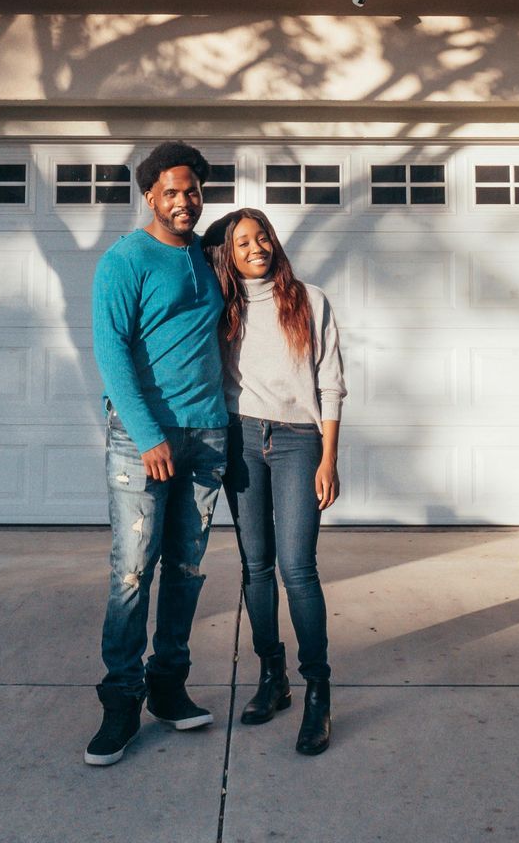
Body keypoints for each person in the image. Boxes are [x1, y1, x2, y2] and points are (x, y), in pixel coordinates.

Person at [84, 141, 229, 767]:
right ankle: (121, 700)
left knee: (188, 570)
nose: (183, 201)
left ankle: (169, 685)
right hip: (144, 439)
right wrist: (148, 437)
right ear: (150, 195)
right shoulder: (126, 260)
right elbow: (111, 353)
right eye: (171, 191)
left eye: (192, 190)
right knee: (132, 571)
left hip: (207, 437)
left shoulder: (208, 253)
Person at [213, 207, 346, 756]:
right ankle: (274, 677)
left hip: (298, 442)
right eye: (241, 242)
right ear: (228, 255)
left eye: (260, 235)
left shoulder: (310, 301)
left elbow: (333, 383)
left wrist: (329, 457)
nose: (254, 246)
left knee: (297, 568)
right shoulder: (222, 308)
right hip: (241, 438)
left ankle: (318, 689)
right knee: (255, 567)